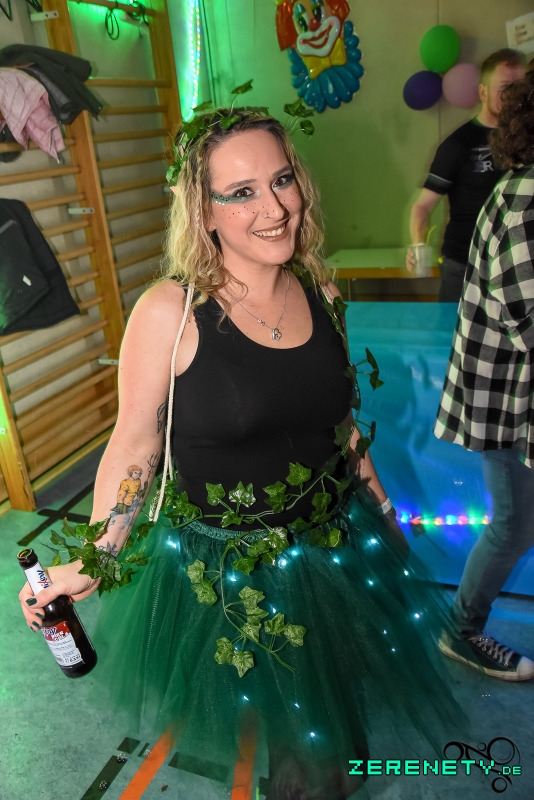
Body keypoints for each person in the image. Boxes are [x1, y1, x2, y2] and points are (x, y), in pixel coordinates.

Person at [20, 108, 466, 799]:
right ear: (204, 213)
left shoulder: (321, 292)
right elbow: (135, 445)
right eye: (242, 192)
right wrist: (96, 557)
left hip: (335, 552)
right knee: (311, 764)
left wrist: (383, 515)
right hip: (228, 576)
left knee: (329, 730)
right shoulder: (169, 313)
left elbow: (341, 427)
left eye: (282, 180)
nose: (275, 208)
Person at [434, 70, 534, 681]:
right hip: (507, 397)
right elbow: (525, 314)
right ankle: (461, 631)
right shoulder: (524, 199)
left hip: (512, 392)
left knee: (516, 522)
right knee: (513, 524)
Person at [408, 48, 525, 303]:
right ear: (483, 92)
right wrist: (418, 248)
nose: (514, 95)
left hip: (516, 266)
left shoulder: (526, 141)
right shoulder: (458, 144)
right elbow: (422, 207)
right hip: (464, 265)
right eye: (505, 87)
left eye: (520, 87)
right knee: (452, 328)